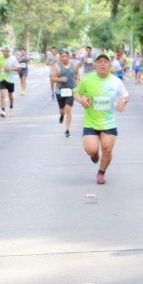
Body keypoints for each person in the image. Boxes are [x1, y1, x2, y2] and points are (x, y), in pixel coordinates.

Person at [73, 53, 129, 184]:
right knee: (90, 149)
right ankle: (94, 154)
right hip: (91, 122)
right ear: (95, 65)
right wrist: (81, 100)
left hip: (109, 122)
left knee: (107, 149)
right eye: (99, 61)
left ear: (110, 65)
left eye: (106, 61)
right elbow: (76, 93)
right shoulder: (87, 80)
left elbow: (125, 95)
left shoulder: (116, 81)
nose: (103, 64)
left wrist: (123, 101)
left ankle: (101, 172)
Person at [51, 49, 78, 138]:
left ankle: (67, 129)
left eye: (66, 56)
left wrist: (78, 84)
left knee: (68, 109)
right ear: (60, 58)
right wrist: (60, 79)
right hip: (60, 91)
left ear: (69, 57)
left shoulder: (74, 65)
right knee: (62, 110)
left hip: (70, 90)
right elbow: (52, 78)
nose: (64, 58)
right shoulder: (57, 66)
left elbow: (77, 75)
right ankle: (62, 114)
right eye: (62, 56)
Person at [0, 46, 19, 117]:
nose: (5, 52)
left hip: (10, 79)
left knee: (10, 95)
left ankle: (11, 105)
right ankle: (3, 110)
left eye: (7, 51)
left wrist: (10, 69)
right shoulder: (0, 58)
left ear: (9, 52)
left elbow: (19, 68)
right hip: (2, 79)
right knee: (2, 95)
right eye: (4, 51)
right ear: (2, 51)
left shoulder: (13, 58)